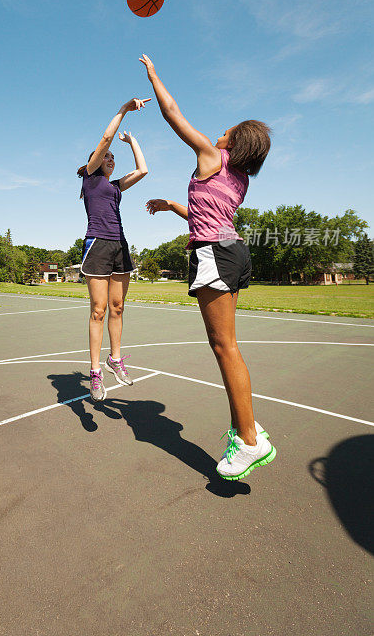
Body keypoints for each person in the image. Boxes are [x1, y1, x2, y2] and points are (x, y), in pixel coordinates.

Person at [140, 53, 275, 481]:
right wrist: (172, 205)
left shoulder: (211, 155)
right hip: (233, 251)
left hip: (215, 253)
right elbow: (208, 217)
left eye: (227, 131)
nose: (219, 132)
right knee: (227, 344)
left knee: (224, 346)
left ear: (233, 143)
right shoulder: (239, 178)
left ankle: (250, 440)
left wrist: (154, 76)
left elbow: (172, 114)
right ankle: (248, 431)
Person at [77, 98, 149, 403]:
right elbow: (106, 138)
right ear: (95, 159)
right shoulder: (91, 179)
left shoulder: (116, 186)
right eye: (106, 156)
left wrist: (133, 141)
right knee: (99, 310)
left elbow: (143, 170)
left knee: (118, 308)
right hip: (98, 244)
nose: (110, 158)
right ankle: (95, 371)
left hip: (120, 246)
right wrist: (123, 109)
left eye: (112, 157)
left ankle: (115, 359)